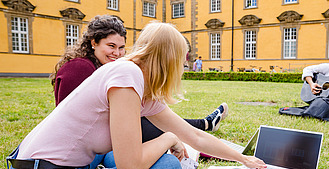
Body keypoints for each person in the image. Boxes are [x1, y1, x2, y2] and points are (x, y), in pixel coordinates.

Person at [6, 22, 266, 169]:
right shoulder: (127, 76)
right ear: (171, 60)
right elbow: (129, 168)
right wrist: (168, 138)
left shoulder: (135, 82)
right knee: (168, 168)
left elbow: (196, 136)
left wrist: (242, 158)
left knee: (134, 156)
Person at [51, 15, 226, 134]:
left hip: (103, 138)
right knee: (147, 124)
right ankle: (204, 124)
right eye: (111, 46)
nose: (117, 53)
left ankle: (204, 125)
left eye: (121, 47)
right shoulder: (79, 68)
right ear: (93, 43)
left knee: (152, 119)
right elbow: (70, 121)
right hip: (88, 147)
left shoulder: (100, 67)